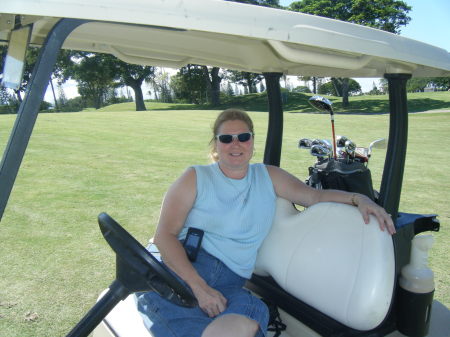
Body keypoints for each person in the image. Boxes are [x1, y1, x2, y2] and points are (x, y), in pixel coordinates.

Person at [137, 108, 396, 337]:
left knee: (251, 312)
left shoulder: (268, 176)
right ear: (216, 145)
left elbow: (313, 196)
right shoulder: (196, 177)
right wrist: (200, 287)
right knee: (164, 302)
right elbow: (164, 236)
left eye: (243, 137)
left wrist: (358, 198)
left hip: (232, 282)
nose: (235, 144)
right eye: (226, 138)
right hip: (188, 269)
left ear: (252, 141)